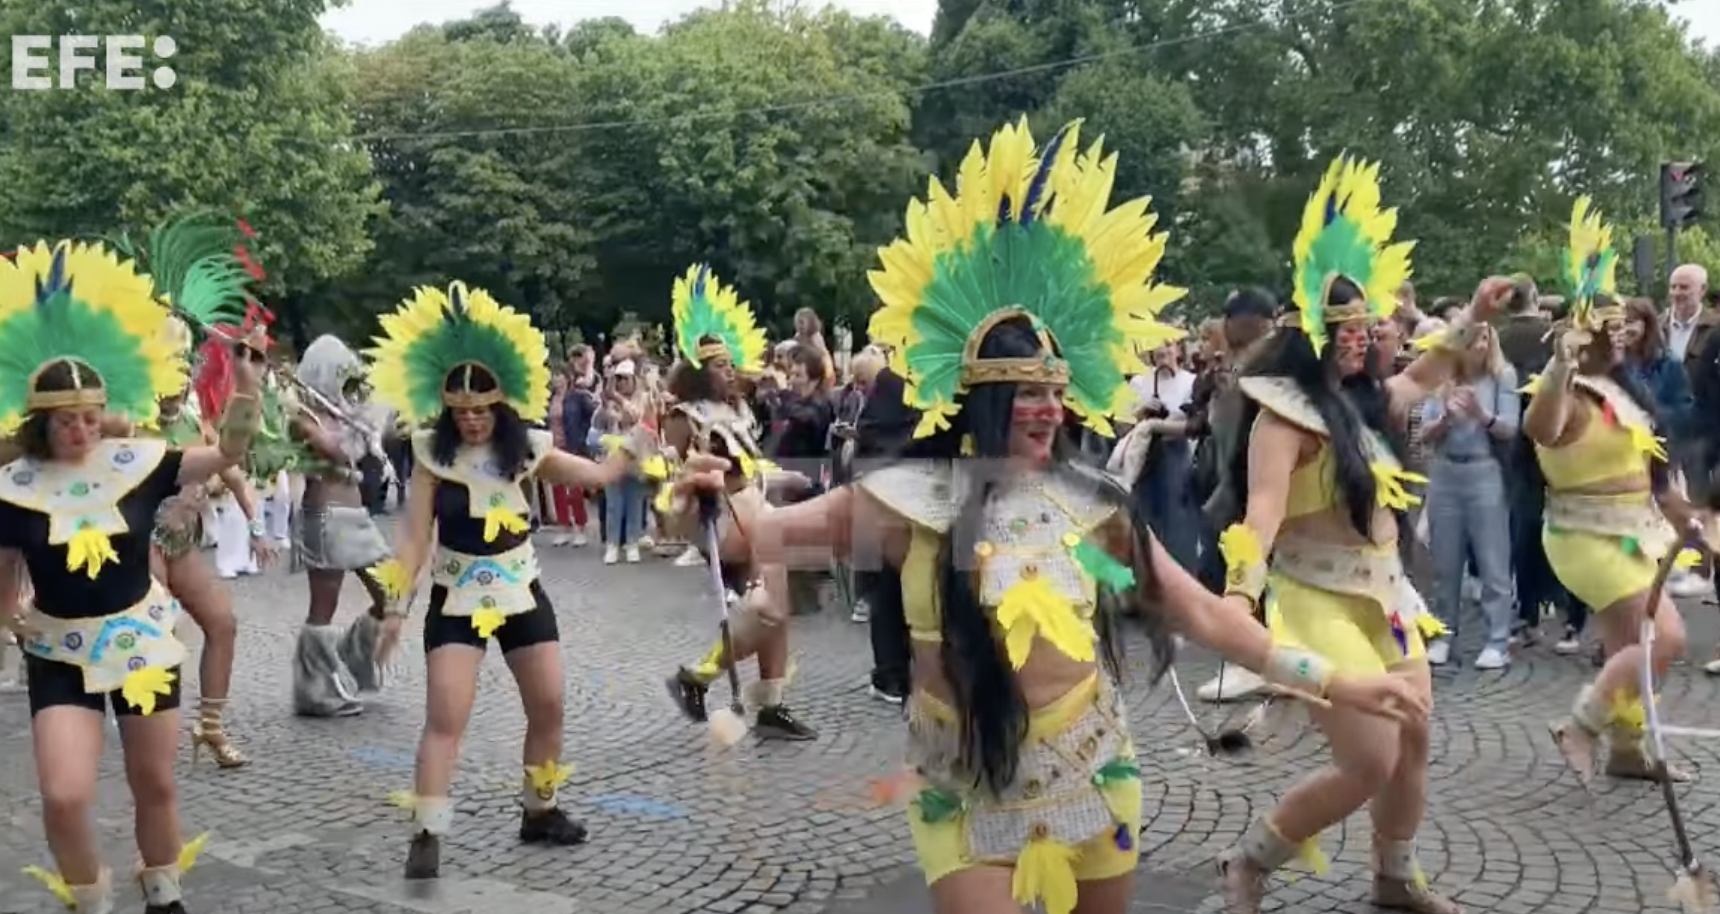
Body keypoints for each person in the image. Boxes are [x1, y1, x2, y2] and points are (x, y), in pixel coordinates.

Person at [711, 120, 1424, 914]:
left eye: (1056, 392)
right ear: (984, 400)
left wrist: (1337, 680)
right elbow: (756, 537)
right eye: (1027, 395)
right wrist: (714, 487)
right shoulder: (907, 504)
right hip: (964, 787)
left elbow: (1207, 619)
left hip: (1095, 771)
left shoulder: (1091, 516)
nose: (1049, 410)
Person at [1214, 156, 1505, 914]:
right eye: (1347, 331)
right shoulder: (1282, 418)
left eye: (1366, 328)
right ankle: (1249, 860)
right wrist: (1238, 597)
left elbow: (1430, 371)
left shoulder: (1372, 403)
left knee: (1413, 743)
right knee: (1369, 757)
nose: (1363, 341)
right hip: (1315, 596)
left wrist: (1474, 312)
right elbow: (1262, 513)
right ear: (1314, 337)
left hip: (1386, 591)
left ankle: (1393, 876)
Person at [364, 281, 683, 878]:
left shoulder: (529, 447)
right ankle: (427, 833)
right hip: (456, 597)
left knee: (550, 705)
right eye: (462, 413)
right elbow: (412, 538)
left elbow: (594, 475)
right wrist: (393, 607)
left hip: (519, 591)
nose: (474, 421)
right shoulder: (433, 456)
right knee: (445, 717)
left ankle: (541, 810)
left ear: (502, 405)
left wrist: (639, 439)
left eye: (483, 410)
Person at [0, 240, 264, 914]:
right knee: (63, 794)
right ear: (41, 423)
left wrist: (248, 381)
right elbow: (5, 566)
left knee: (155, 784)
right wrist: (8, 615)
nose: (81, 430)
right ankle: (90, 901)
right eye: (66, 421)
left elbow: (229, 451)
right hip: (59, 651)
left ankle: (164, 896)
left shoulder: (140, 462)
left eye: (90, 416)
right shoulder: (14, 486)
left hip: (141, 644)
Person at [1527, 199, 1699, 784]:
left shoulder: (1625, 390)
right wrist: (1557, 367)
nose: (1620, 331)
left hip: (1633, 532)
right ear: (1580, 335)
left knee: (1633, 641)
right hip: (1583, 536)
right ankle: (1581, 723)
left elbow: (1651, 471)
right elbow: (1539, 430)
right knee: (1667, 637)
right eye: (1607, 325)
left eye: (1622, 321)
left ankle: (1628, 752)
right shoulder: (1565, 392)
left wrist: (1687, 522)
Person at [660, 264, 818, 741]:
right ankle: (697, 677)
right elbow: (671, 471)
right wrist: (692, 481)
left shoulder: (739, 410)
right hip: (728, 516)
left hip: (758, 508)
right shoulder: (684, 414)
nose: (731, 370)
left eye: (731, 364)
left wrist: (782, 476)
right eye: (720, 366)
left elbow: (751, 461)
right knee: (768, 608)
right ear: (700, 370)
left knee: (777, 610)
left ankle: (771, 705)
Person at [288, 335, 397, 717]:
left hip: (356, 515)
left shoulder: (345, 411)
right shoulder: (302, 416)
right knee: (324, 605)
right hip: (326, 515)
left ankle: (354, 655)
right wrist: (366, 424)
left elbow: (376, 442)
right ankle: (315, 688)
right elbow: (338, 451)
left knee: (394, 592)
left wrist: (377, 416)